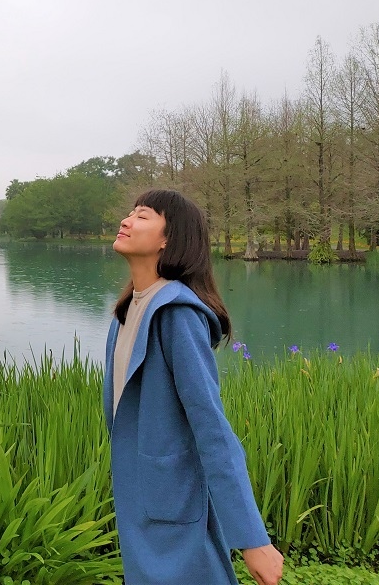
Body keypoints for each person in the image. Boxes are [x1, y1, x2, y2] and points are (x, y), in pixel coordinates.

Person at [103, 188, 284, 585]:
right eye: (130, 212)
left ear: (169, 239)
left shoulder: (176, 313)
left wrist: (253, 539)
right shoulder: (128, 310)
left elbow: (211, 426)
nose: (127, 220)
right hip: (139, 501)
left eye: (143, 216)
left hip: (172, 509)